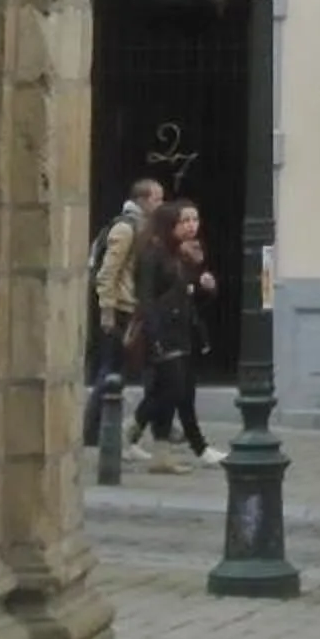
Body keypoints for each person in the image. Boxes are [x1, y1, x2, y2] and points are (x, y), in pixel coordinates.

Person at [132, 198, 221, 471]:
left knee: (173, 391)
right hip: (163, 332)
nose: (191, 226)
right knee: (171, 391)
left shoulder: (186, 253)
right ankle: (179, 450)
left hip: (184, 331)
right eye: (184, 221)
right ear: (169, 225)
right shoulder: (153, 253)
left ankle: (133, 435)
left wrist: (206, 286)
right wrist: (154, 336)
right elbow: (147, 298)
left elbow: (191, 297)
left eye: (194, 220)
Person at [83, 175, 162, 448]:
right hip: (119, 309)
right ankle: (93, 429)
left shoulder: (143, 228)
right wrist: (107, 310)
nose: (160, 204)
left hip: (130, 308)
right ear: (142, 200)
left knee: (118, 370)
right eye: (156, 199)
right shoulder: (126, 229)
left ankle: (101, 428)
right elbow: (108, 273)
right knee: (110, 371)